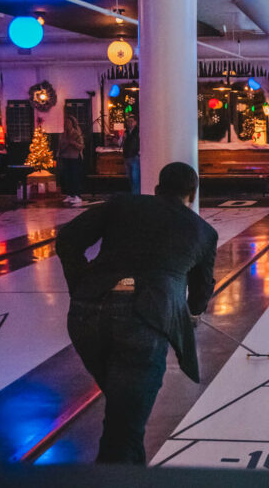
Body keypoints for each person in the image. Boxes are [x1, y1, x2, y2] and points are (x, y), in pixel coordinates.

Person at [55, 162, 218, 465]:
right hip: (144, 322)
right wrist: (193, 315)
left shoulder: (122, 204)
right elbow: (200, 291)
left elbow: (68, 240)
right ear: (193, 195)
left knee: (123, 418)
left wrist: (82, 285)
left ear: (156, 190)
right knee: (123, 431)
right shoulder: (204, 232)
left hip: (86, 316)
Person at [59, 115, 85, 206]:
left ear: (72, 124)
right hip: (66, 157)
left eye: (69, 123)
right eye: (65, 123)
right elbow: (60, 146)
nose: (67, 125)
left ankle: (77, 196)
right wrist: (65, 144)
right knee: (67, 177)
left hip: (75, 158)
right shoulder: (63, 134)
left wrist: (74, 143)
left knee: (75, 177)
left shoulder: (77, 134)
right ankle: (69, 195)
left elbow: (81, 146)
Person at [122, 114, 140, 195]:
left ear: (135, 122)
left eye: (131, 121)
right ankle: (133, 193)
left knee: (135, 177)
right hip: (127, 156)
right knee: (130, 177)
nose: (129, 123)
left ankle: (136, 194)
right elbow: (122, 143)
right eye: (128, 122)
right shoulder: (126, 132)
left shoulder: (138, 131)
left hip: (134, 156)